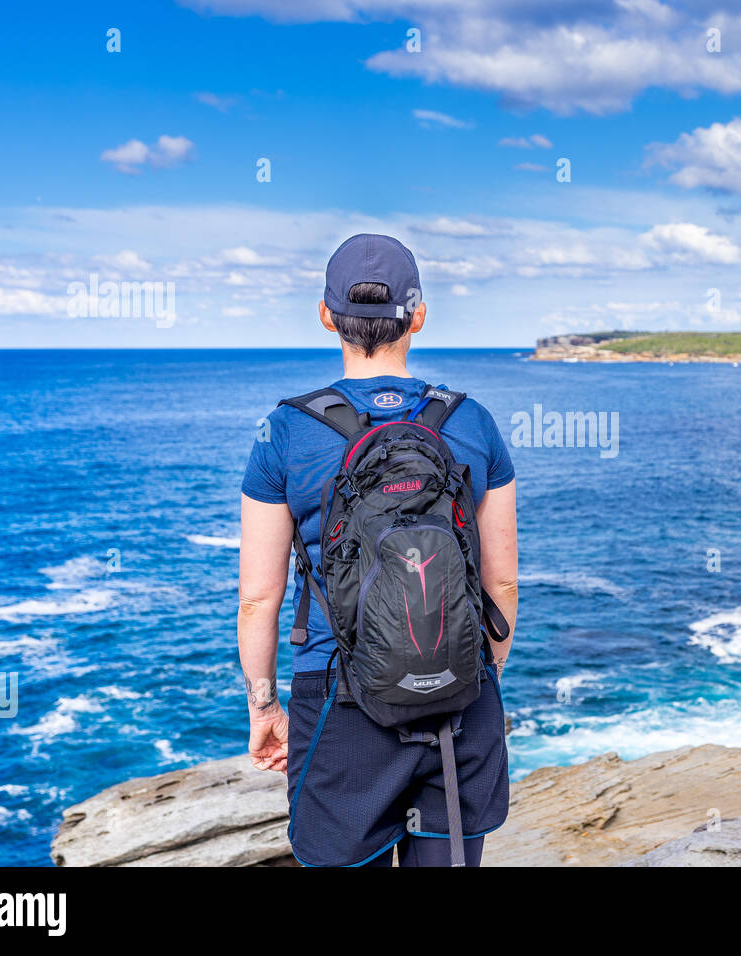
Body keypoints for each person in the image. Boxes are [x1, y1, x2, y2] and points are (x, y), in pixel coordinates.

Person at [236, 234, 518, 867]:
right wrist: (471, 671)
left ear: (326, 315)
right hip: (460, 701)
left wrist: (264, 704)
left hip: (339, 702)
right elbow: (501, 588)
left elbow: (259, 599)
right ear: (417, 316)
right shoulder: (472, 422)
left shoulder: (285, 431)